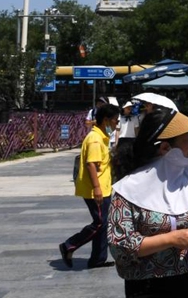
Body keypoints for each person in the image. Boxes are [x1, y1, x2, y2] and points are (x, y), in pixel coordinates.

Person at [108, 107, 188, 297]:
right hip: (150, 287)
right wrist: (172, 239)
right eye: (187, 137)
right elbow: (120, 245)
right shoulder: (128, 190)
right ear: (165, 147)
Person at [59, 103, 121, 269]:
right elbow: (91, 164)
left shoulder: (101, 136)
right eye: (115, 120)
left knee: (103, 223)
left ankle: (97, 259)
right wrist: (97, 188)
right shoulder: (94, 139)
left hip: (104, 187)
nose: (117, 124)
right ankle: (69, 245)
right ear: (106, 120)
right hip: (96, 189)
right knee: (100, 223)